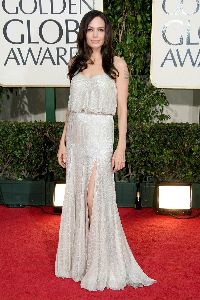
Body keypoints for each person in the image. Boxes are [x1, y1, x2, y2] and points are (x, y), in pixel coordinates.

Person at [55, 10, 156, 291]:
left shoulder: (117, 65)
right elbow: (71, 107)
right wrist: (63, 141)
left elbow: (122, 110)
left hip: (100, 136)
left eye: (100, 29)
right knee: (77, 196)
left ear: (106, 33)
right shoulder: (75, 63)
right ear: (84, 33)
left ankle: (101, 260)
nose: (96, 34)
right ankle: (83, 260)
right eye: (90, 29)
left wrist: (121, 145)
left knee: (93, 198)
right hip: (76, 137)